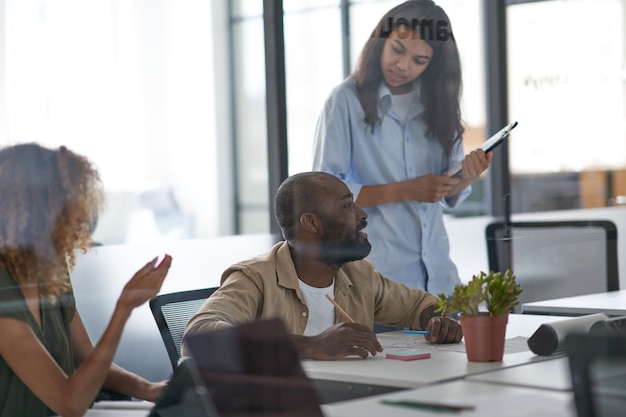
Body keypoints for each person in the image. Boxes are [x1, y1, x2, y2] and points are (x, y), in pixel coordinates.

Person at [312, 0, 491, 296]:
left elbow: (442, 194)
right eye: (397, 49)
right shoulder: (344, 102)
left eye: (419, 60)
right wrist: (407, 189)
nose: (403, 65)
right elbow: (325, 196)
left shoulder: (439, 106)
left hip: (440, 280)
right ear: (381, 40)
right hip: (380, 283)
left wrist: (467, 178)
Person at [182, 171, 462, 361]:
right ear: (311, 223)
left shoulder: (358, 274)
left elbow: (419, 305)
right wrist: (311, 346)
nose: (362, 215)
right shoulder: (256, 278)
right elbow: (200, 336)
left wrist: (436, 321)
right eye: (347, 206)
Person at [0, 143, 172, 417]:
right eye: (68, 206)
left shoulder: (51, 274)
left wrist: (148, 389)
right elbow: (70, 403)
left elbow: (88, 363)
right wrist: (124, 307)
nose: (82, 218)